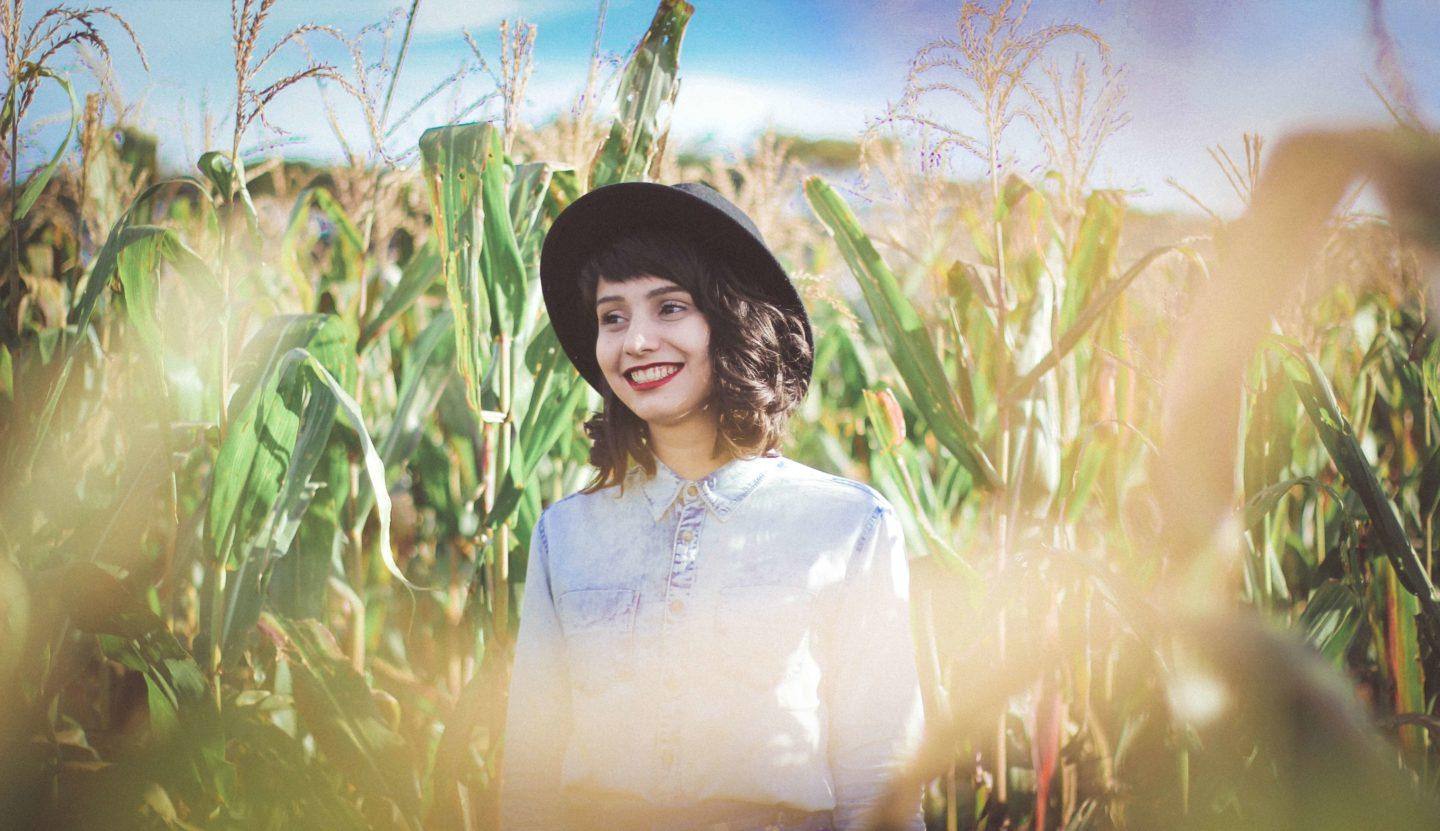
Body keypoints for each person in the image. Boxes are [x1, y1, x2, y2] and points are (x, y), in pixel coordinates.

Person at [500, 181, 927, 831]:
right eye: (612, 316)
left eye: (669, 307)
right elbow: (529, 772)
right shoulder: (566, 533)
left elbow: (879, 775)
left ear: (733, 321)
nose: (636, 339)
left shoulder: (848, 527)